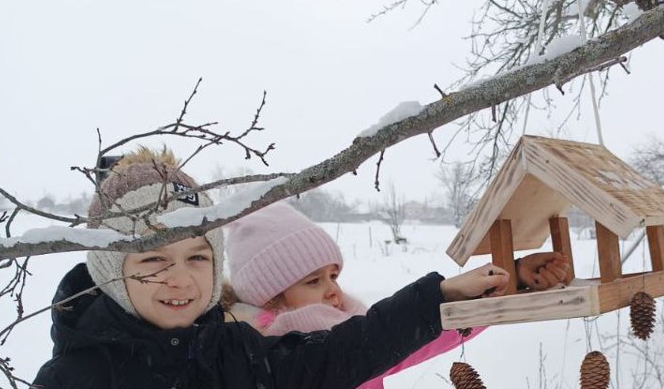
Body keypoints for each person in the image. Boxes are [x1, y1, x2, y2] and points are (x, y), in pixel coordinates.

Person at [32, 148, 512, 389]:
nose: (181, 278)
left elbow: (357, 346)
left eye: (197, 256)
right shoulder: (74, 378)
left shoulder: (231, 352)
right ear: (111, 269)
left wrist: (445, 298)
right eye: (154, 258)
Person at [222, 202, 571, 388]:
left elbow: (416, 336)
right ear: (269, 298)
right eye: (313, 281)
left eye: (333, 275)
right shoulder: (261, 363)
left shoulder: (350, 331)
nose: (333, 289)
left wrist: (510, 281)